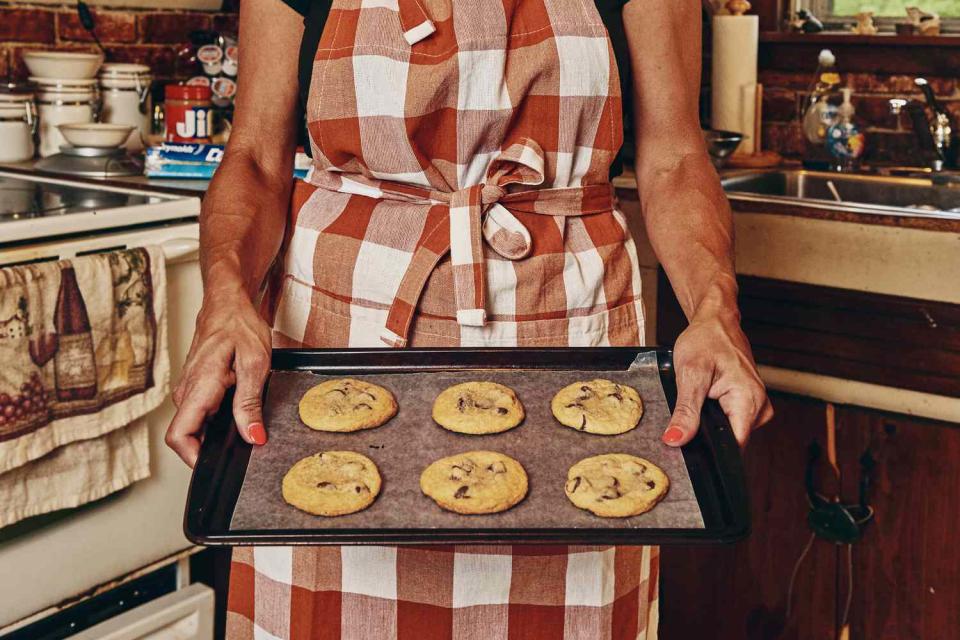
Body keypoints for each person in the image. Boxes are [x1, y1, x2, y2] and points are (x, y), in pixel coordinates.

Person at [166, 0, 773, 637]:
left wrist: (715, 308)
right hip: (337, 335)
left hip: (564, 327)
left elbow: (676, 157)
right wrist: (224, 301)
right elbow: (256, 159)